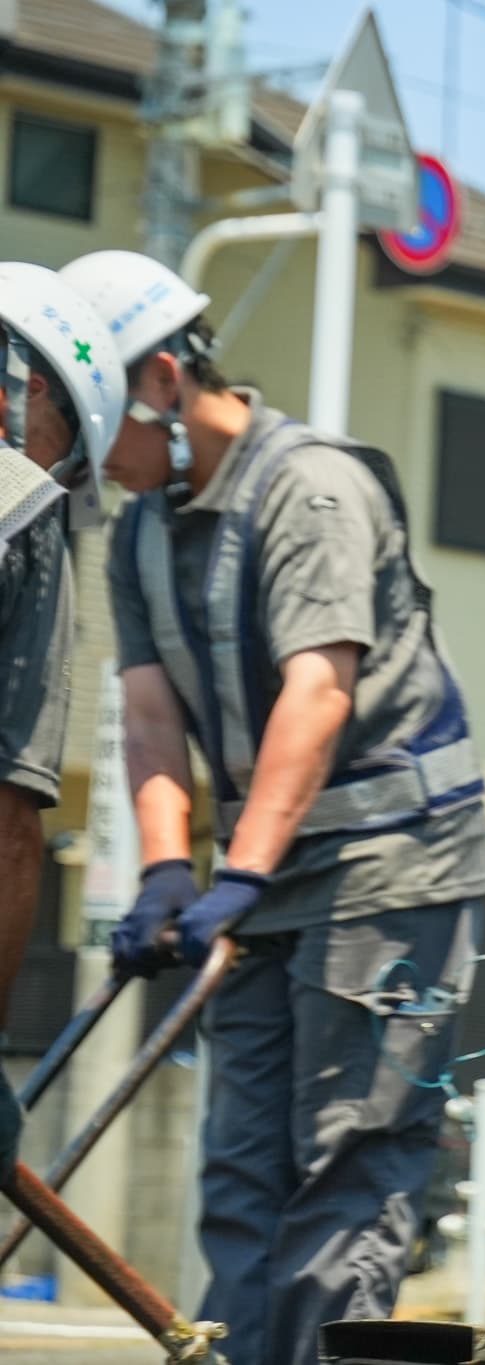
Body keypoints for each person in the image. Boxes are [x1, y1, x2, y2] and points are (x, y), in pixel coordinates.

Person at [57, 248, 485, 1363]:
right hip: (274, 878)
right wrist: (169, 871)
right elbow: (151, 714)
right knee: (242, 1170)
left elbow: (320, 689)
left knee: (347, 1162)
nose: (87, 455)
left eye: (95, 417)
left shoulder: (311, 486)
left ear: (162, 381)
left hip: (393, 867)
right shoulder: (144, 528)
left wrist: (237, 872)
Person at [0, 264, 121, 1176]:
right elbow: (10, 831)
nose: (57, 476)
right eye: (67, 452)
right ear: (32, 385)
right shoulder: (24, 511)